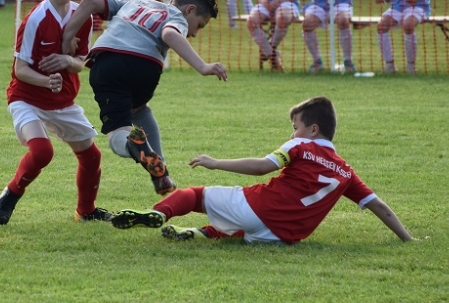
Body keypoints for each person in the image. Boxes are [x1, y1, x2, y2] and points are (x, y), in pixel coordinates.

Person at [110, 96, 415, 245]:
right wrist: (407, 239)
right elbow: (379, 207)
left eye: (295, 127)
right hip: (284, 236)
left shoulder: (301, 146)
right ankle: (193, 233)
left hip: (259, 209)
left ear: (312, 129)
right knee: (236, 228)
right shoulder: (346, 172)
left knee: (194, 195)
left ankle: (158, 213)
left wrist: (216, 163)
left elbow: (261, 167)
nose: (293, 133)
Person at [60, 0, 227, 196]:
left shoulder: (134, 3)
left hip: (106, 64)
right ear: (190, 10)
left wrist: (68, 35)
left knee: (123, 127)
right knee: (137, 113)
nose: (194, 33)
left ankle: (151, 162)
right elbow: (170, 34)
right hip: (144, 66)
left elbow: (92, 1)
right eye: (199, 25)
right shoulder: (177, 16)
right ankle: (159, 170)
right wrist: (203, 66)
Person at [0, 0, 111, 225]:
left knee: (91, 157)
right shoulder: (34, 19)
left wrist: (67, 61)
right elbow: (20, 70)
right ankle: (10, 194)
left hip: (62, 101)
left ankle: (86, 211)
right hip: (27, 99)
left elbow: (81, 62)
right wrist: (46, 80)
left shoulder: (83, 16)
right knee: (42, 152)